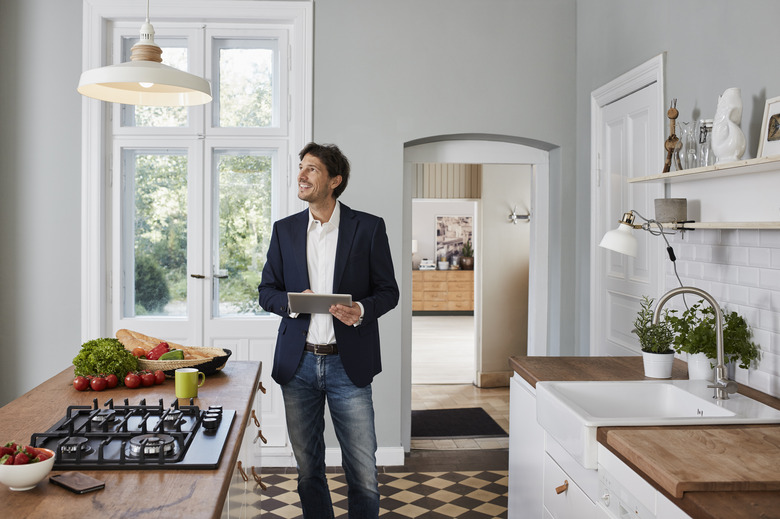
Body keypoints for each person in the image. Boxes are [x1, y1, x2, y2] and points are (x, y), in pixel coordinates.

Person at [258, 142, 399, 518]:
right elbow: (265, 291)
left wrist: (362, 310)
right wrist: (290, 302)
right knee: (308, 471)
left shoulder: (368, 227)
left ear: (334, 181)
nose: (301, 175)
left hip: (348, 367)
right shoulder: (284, 230)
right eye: (300, 167)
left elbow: (389, 292)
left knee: (363, 473)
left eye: (312, 169)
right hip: (297, 366)